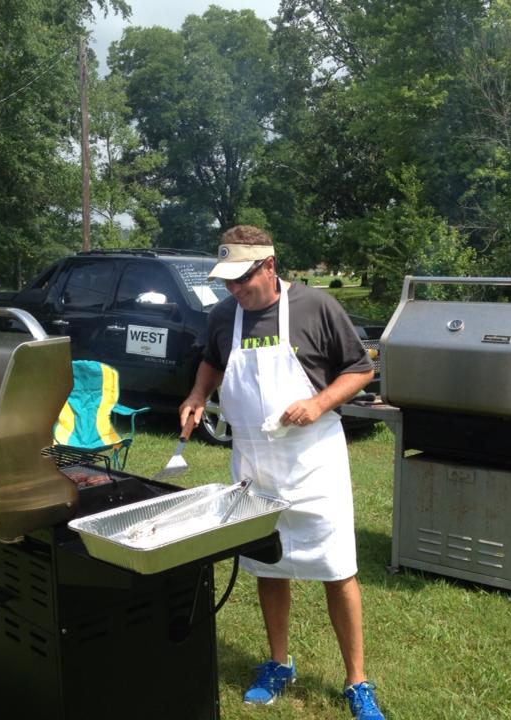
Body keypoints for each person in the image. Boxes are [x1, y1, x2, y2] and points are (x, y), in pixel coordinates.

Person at [179, 225, 386, 720]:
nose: (233, 290)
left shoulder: (316, 307)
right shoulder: (224, 314)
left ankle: (356, 681)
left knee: (338, 569)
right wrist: (196, 396)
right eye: (227, 281)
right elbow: (212, 361)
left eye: (242, 280)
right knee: (269, 566)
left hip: (313, 463)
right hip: (253, 464)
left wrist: (319, 403)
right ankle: (278, 662)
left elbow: (360, 370)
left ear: (269, 266)